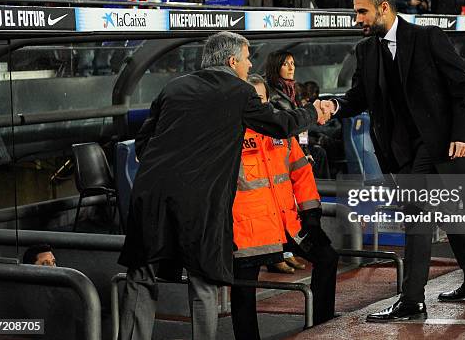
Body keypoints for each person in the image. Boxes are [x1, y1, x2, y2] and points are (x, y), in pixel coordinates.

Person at [118, 32, 328, 340]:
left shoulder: (173, 87)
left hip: (149, 194)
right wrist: (314, 112)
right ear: (232, 61)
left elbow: (143, 143)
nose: (249, 64)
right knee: (203, 280)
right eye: (246, 58)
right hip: (199, 201)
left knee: (141, 274)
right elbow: (279, 126)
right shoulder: (240, 92)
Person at [321, 0, 465, 322]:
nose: (357, 19)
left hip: (438, 146)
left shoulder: (427, 38)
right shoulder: (366, 51)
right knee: (443, 212)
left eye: (362, 11)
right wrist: (334, 104)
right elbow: (360, 96)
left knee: (417, 216)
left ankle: (412, 300)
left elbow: (462, 86)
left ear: (383, 8)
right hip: (402, 151)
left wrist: (462, 135)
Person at [230, 74, 338, 339]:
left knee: (327, 257)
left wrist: (311, 215)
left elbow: (301, 174)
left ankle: (320, 326)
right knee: (244, 288)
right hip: (248, 231)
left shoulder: (282, 133)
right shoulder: (229, 135)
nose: (258, 105)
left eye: (262, 99)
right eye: (252, 100)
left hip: (286, 223)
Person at [265, 50, 331, 180]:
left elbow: (303, 128)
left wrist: (305, 151)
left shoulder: (294, 91)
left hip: (296, 146)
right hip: (280, 149)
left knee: (318, 153)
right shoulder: (269, 92)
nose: (291, 68)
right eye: (285, 64)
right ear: (275, 67)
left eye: (293, 63)